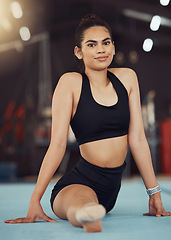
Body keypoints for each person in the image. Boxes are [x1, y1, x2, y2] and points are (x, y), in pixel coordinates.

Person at [4, 14, 171, 233]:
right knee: (82, 203)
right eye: (91, 45)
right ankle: (87, 216)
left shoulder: (127, 78)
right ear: (79, 52)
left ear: (113, 47)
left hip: (111, 188)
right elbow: (57, 145)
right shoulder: (70, 83)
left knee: (93, 203)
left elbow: (138, 139)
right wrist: (35, 200)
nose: (101, 49)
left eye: (106, 42)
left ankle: (92, 211)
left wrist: (154, 194)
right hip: (79, 183)